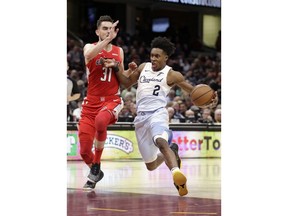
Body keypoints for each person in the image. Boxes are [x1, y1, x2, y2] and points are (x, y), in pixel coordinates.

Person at [103, 37, 218, 196]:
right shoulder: (143, 67)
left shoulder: (172, 75)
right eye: (152, 55)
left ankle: (176, 173)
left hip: (158, 114)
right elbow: (126, 83)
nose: (153, 58)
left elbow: (193, 92)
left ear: (166, 58)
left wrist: (209, 101)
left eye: (157, 56)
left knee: (160, 141)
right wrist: (116, 68)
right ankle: (172, 150)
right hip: (141, 118)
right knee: (150, 165)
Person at [78, 15, 133, 190]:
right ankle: (96, 172)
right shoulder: (89, 47)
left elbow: (123, 78)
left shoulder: (119, 51)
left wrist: (129, 71)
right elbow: (88, 54)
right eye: (104, 28)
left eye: (111, 28)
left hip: (112, 100)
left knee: (101, 121)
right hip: (90, 103)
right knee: (84, 151)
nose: (108, 31)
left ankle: (96, 165)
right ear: (97, 31)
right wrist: (107, 40)